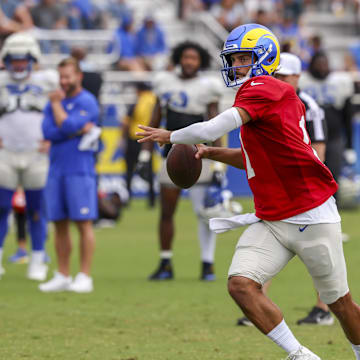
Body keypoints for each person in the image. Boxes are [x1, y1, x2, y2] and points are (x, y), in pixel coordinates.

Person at [136, 24, 360, 360]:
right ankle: (300, 355)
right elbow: (254, 159)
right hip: (273, 218)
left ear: (265, 58)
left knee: (340, 304)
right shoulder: (266, 94)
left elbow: (212, 128)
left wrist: (171, 135)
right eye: (234, 58)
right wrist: (211, 154)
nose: (237, 64)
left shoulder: (264, 87)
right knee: (241, 285)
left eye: (244, 57)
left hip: (309, 214)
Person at [237, 52, 331, 327]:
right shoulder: (264, 100)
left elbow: (319, 152)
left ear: (296, 77)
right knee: (266, 246)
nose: (276, 80)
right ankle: (259, 307)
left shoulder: (308, 105)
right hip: (278, 189)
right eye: (274, 75)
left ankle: (322, 308)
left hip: (307, 191)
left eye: (283, 76)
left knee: (319, 256)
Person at [137, 41, 224, 281]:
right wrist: (145, 155)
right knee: (166, 211)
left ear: (200, 61)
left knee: (204, 213)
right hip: (171, 155)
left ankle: (207, 264)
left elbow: (216, 124)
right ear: (178, 58)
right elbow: (155, 119)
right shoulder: (165, 82)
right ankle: (165, 262)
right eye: (185, 57)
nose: (188, 62)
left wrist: (218, 163)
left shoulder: (208, 86)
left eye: (193, 58)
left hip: (200, 154)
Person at [40, 57, 100, 293]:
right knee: (59, 224)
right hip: (56, 170)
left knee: (83, 224)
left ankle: (84, 276)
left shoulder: (87, 101)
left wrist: (57, 109)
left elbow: (62, 127)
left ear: (79, 76)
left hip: (79, 171)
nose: (63, 82)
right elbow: (48, 131)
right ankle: (63, 274)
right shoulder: (53, 101)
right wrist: (72, 128)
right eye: (61, 77)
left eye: (68, 76)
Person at [0, 32, 56, 281]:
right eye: (15, 59)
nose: (19, 64)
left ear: (34, 59)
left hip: (36, 153)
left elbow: (59, 109)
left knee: (36, 210)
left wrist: (51, 138)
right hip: (5, 153)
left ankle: (37, 257)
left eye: (24, 59)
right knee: (1, 208)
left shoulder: (47, 80)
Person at [299, 51, 356, 184]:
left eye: (324, 64)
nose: (322, 68)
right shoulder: (302, 81)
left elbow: (348, 117)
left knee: (333, 175)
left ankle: (334, 204)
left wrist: (349, 146)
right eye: (319, 64)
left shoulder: (340, 82)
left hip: (334, 137)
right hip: (308, 138)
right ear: (312, 65)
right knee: (311, 176)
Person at [120, 82, 157, 206]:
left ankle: (127, 199)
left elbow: (126, 122)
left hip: (134, 138)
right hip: (149, 139)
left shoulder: (138, 101)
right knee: (148, 169)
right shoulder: (154, 101)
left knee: (130, 170)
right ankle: (152, 200)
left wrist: (122, 138)